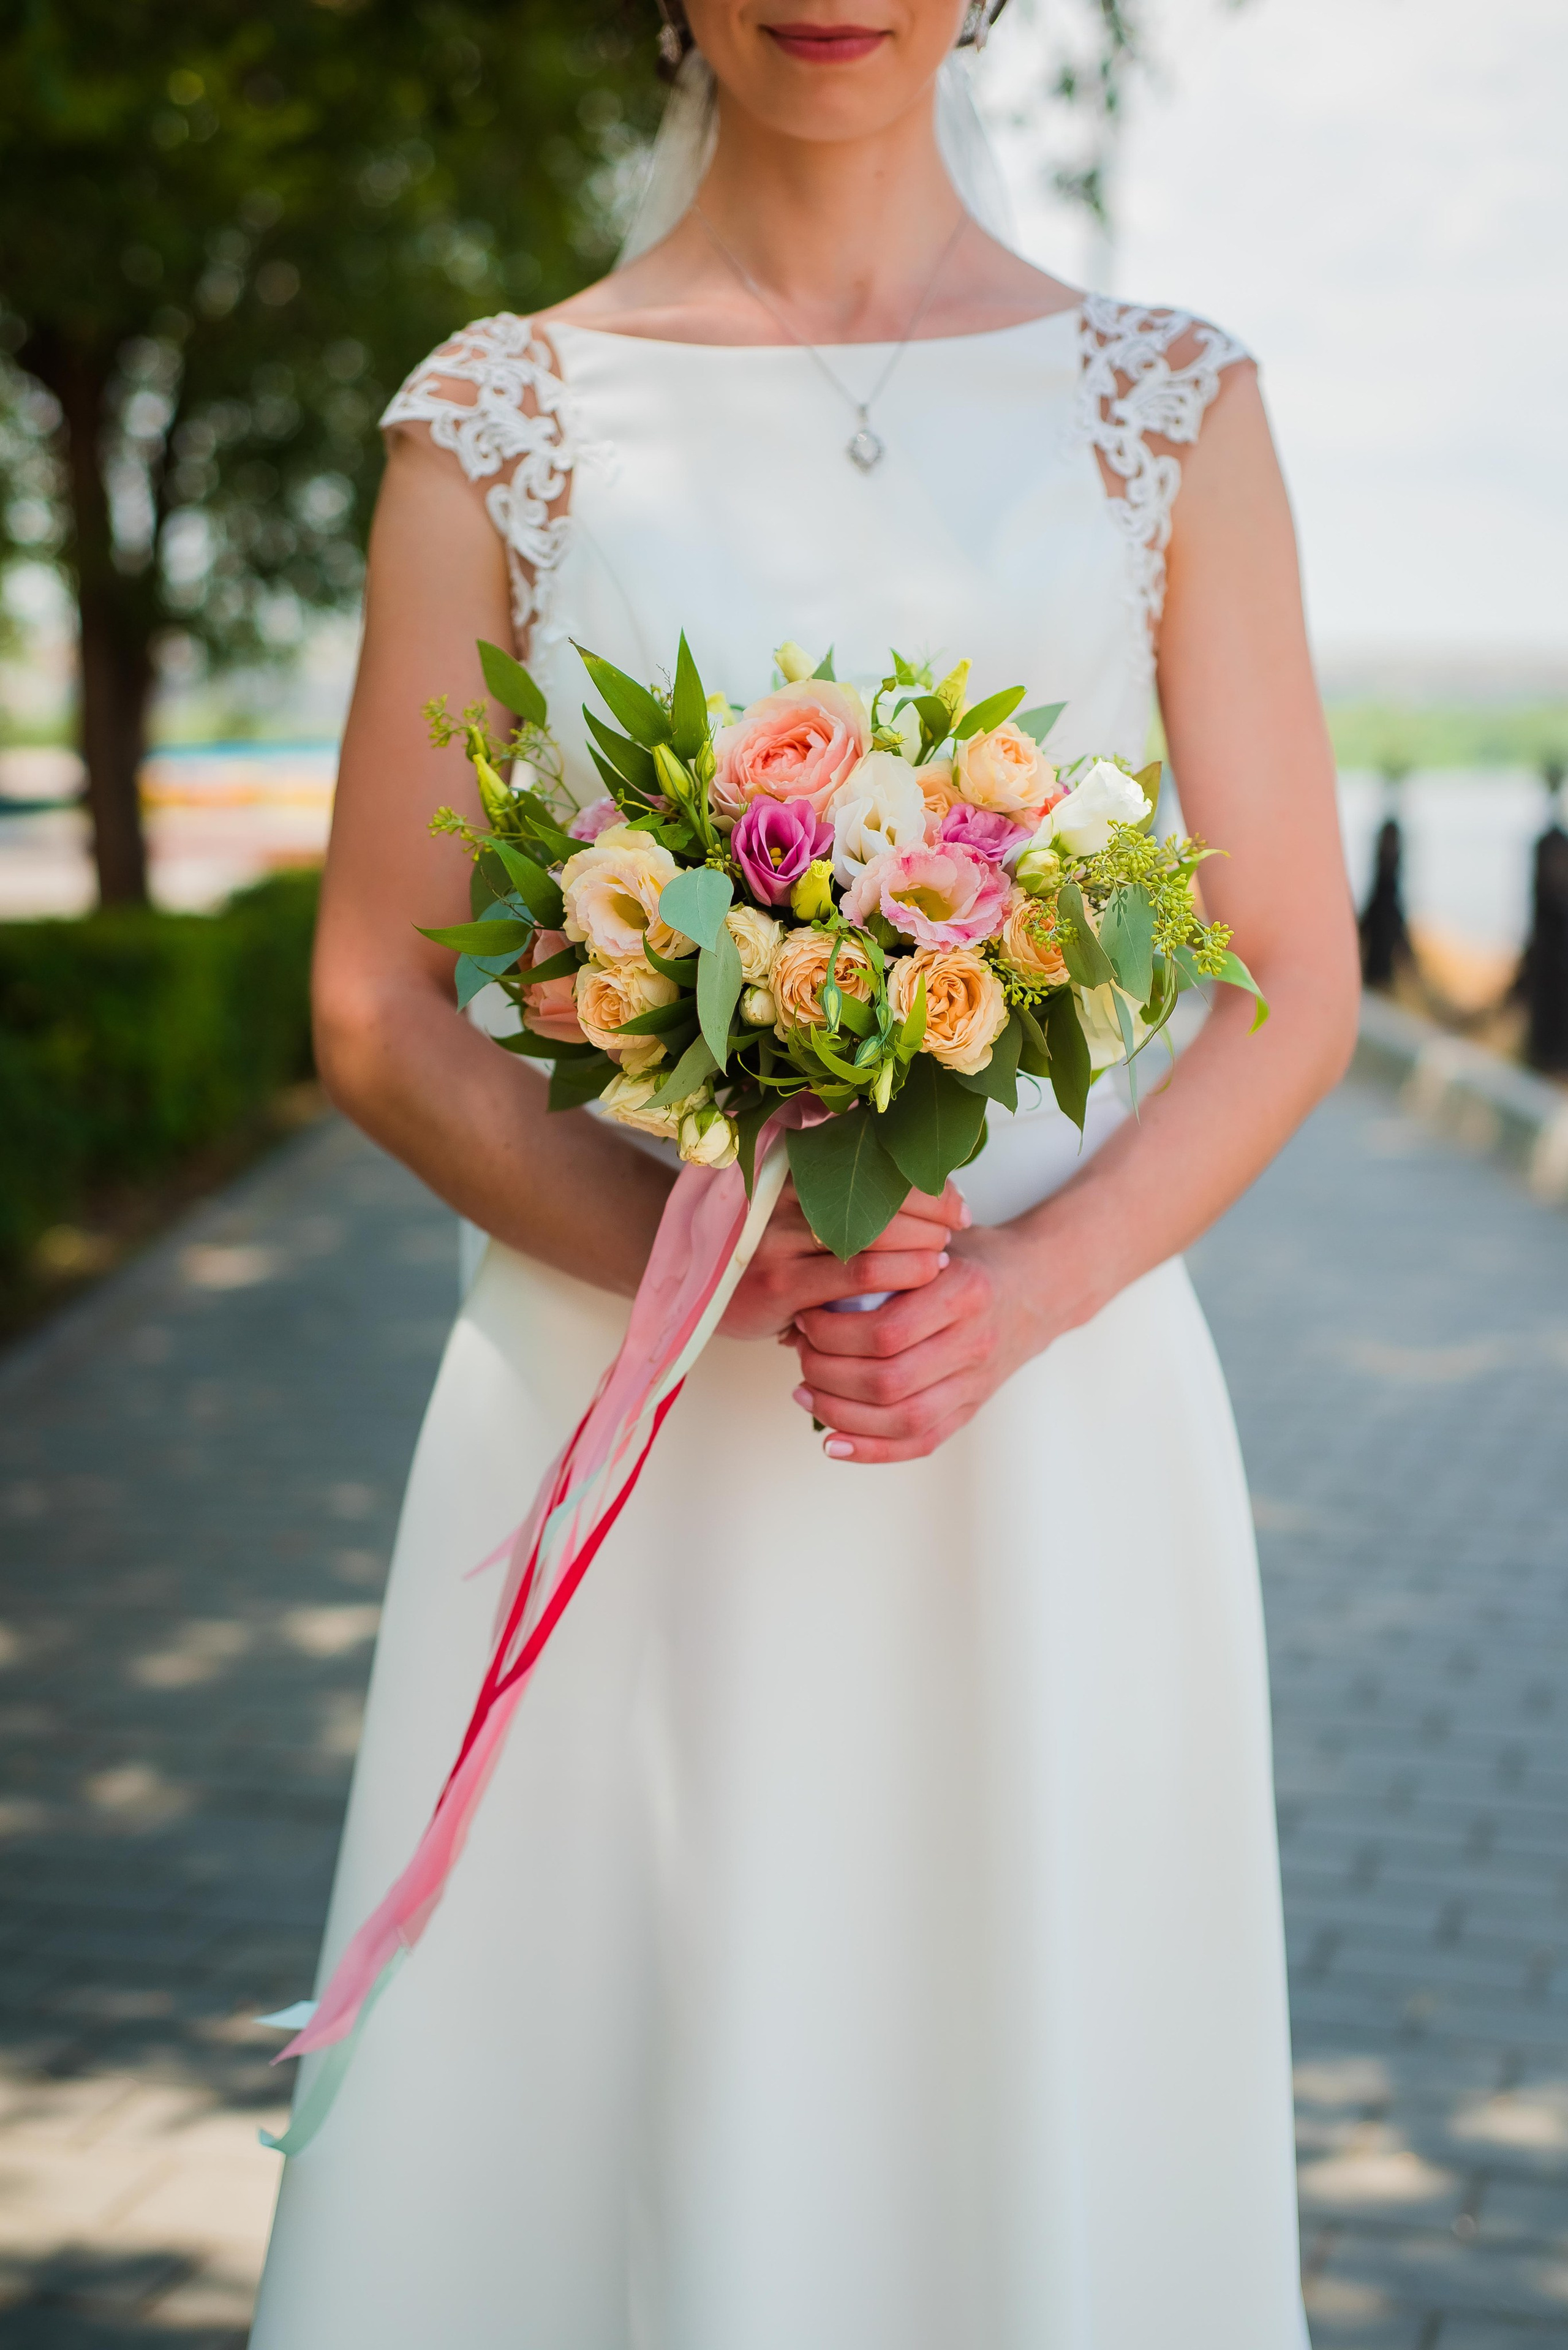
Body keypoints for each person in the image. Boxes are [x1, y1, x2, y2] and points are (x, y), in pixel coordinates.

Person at [251, 3, 1357, 2342]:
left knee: (1023, 2088)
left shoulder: (1170, 404)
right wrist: (707, 1270)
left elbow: (1289, 973)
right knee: (617, 2106)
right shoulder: (500, 417)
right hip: (619, 1408)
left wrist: (1022, 1291)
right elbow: (375, 1005)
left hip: (1044, 1430)